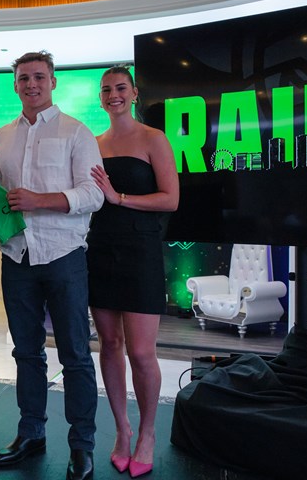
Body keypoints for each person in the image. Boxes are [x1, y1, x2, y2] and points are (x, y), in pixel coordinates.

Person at [0, 51, 104, 480]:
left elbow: (94, 195)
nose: (31, 84)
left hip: (63, 256)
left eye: (39, 77)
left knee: (75, 354)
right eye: (24, 78)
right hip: (17, 256)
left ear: (53, 81)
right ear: (15, 85)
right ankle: (31, 433)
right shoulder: (1, 137)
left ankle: (82, 445)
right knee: (26, 352)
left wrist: (40, 201)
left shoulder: (77, 131)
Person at [86, 66, 179, 478]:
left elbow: (170, 200)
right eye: (106, 89)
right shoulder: (93, 143)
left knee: (141, 352)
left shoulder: (153, 138)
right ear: (100, 97)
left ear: (135, 92)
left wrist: (118, 197)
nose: (114, 95)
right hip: (100, 248)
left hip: (141, 251)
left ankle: (147, 433)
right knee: (109, 344)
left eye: (121, 87)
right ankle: (122, 430)